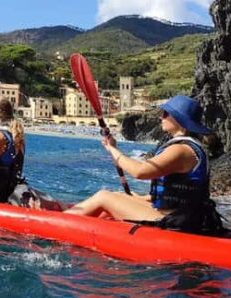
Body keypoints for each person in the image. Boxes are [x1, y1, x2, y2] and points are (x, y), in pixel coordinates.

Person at [65, 95, 218, 230]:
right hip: (183, 216)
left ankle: (59, 222)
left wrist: (112, 149)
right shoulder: (189, 146)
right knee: (116, 196)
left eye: (166, 114)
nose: (161, 117)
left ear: (180, 120)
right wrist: (138, 198)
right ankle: (75, 217)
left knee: (103, 196)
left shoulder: (181, 150)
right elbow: (175, 193)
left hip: (175, 220)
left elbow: (140, 171)